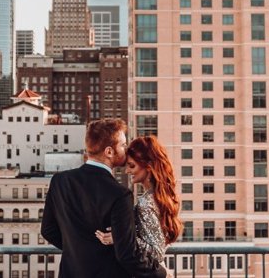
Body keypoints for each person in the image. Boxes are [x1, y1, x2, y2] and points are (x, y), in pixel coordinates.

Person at [41, 118, 167, 278]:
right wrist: (161, 273)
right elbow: (127, 253)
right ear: (109, 152)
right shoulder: (120, 194)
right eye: (123, 145)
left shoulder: (60, 181)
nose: (126, 149)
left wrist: (77, 250)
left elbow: (48, 230)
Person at [93, 135, 180, 274]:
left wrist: (121, 238)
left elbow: (157, 253)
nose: (127, 171)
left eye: (132, 165)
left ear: (149, 166)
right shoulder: (157, 197)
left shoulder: (146, 203)